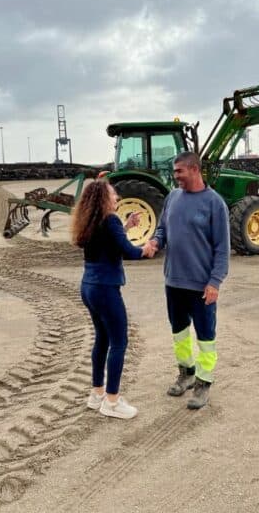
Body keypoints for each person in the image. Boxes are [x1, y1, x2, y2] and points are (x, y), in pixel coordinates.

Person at [147, 152, 229, 409]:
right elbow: (163, 229)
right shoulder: (172, 197)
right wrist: (155, 241)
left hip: (201, 285)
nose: (175, 176)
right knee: (179, 332)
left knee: (205, 336)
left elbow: (222, 249)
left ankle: (204, 383)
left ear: (195, 170)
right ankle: (186, 372)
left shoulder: (215, 203)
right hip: (173, 281)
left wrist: (215, 282)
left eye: (179, 171)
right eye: (175, 172)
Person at [71, 179, 155, 419]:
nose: (116, 197)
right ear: (102, 199)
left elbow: (110, 244)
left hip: (88, 286)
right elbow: (128, 251)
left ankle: (97, 393)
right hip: (106, 289)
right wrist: (145, 250)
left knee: (102, 338)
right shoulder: (110, 220)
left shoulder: (91, 221)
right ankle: (112, 401)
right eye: (112, 193)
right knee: (119, 341)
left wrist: (126, 226)